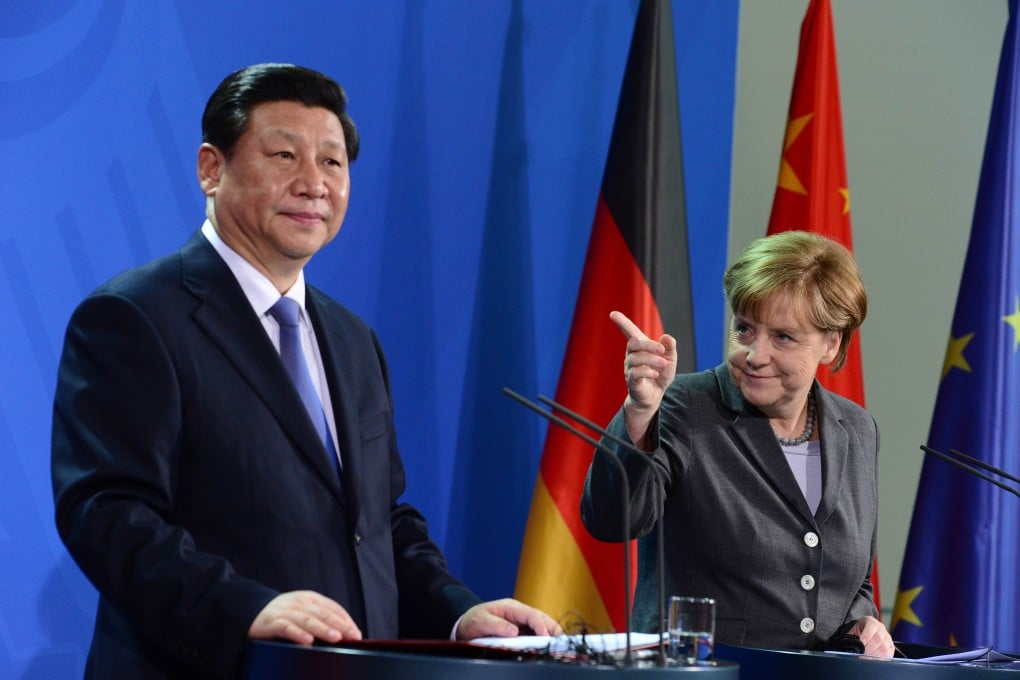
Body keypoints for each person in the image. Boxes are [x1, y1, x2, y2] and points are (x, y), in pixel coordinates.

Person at [51, 63, 558, 679]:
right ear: (212, 169)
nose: (314, 184)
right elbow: (107, 515)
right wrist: (248, 609)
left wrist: (459, 614)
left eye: (333, 163)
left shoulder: (351, 339)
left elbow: (379, 522)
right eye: (285, 155)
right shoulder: (135, 318)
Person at [580, 230, 894, 657]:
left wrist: (865, 623)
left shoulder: (857, 429)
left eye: (782, 337)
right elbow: (611, 520)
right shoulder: (684, 406)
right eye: (745, 329)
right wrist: (639, 412)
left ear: (831, 343)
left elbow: (852, 579)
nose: (755, 354)